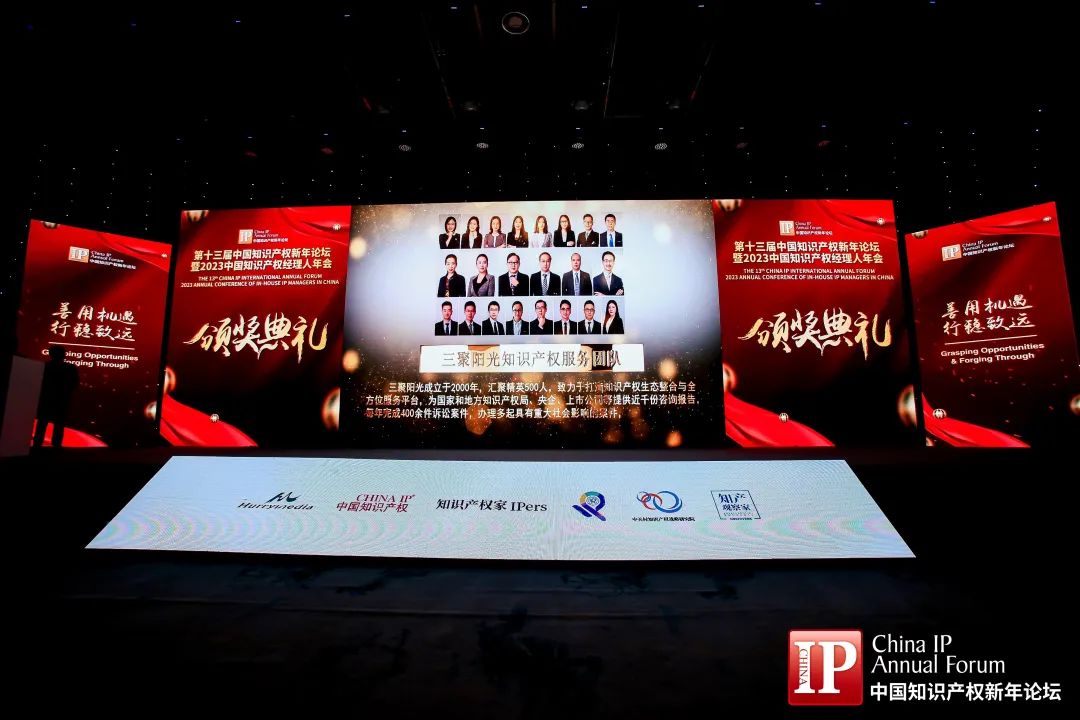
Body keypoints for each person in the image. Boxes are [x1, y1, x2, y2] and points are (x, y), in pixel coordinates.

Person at [32, 344, 79, 448]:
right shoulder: (70, 368)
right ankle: (56, 448)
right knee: (59, 426)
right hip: (62, 401)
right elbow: (74, 384)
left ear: (51, 354)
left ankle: (36, 448)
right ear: (64, 355)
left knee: (42, 424)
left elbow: (37, 383)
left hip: (46, 400)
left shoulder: (44, 366)